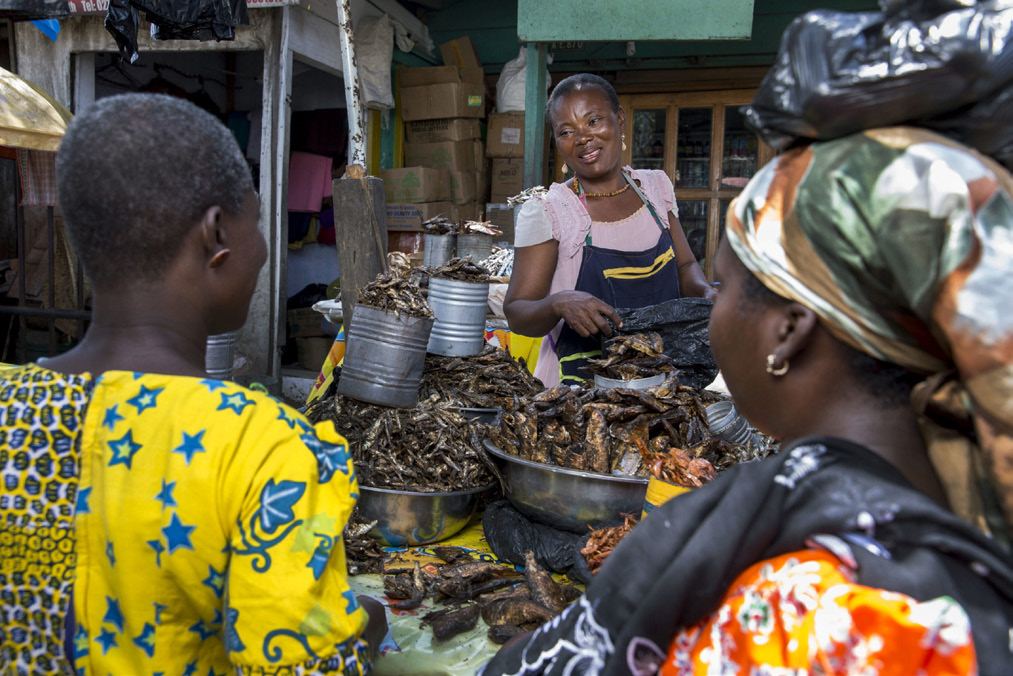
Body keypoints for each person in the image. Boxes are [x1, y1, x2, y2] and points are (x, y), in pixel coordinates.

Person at [481, 127, 1013, 675]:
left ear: (789, 330)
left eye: (728, 287)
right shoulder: (963, 507)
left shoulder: (793, 598)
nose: (712, 313)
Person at [0, 94, 386, 675]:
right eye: (256, 223)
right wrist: (365, 626)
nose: (261, 249)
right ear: (215, 235)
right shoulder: (264, 448)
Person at [503, 74, 716, 387]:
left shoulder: (655, 188)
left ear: (619, 119)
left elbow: (685, 265)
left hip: (664, 386)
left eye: (593, 120)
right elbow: (517, 312)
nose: (582, 138)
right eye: (566, 131)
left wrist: (706, 292)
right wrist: (558, 302)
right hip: (577, 395)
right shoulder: (551, 210)